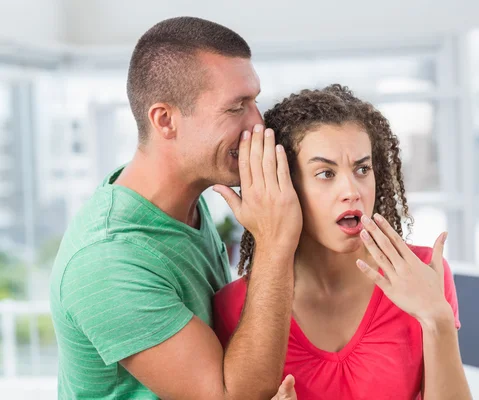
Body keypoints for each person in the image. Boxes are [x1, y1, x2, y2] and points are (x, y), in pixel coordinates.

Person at [50, 17, 301, 399]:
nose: (258, 124)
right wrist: (274, 242)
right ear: (165, 120)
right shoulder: (105, 260)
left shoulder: (189, 206)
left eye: (254, 101)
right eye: (236, 108)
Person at [213, 84, 473, 400]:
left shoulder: (423, 274)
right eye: (325, 173)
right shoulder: (234, 307)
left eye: (362, 169)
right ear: (285, 185)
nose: (352, 190)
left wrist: (438, 319)